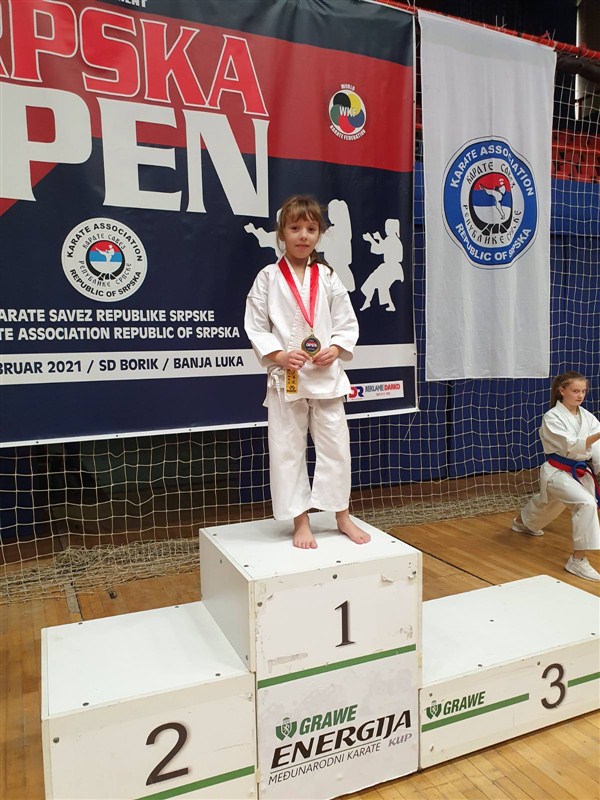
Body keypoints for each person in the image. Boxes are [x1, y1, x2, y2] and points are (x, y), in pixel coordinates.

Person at [244, 195, 371, 549]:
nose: (303, 235)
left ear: (320, 234)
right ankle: (301, 520)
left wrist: (337, 348)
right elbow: (256, 326)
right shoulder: (268, 277)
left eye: (311, 229)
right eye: (295, 228)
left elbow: (346, 322)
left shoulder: (328, 276)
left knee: (336, 446)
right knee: (287, 448)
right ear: (281, 233)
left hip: (325, 375)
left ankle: (341, 516)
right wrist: (280, 355)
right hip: (288, 376)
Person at [512, 371, 600, 581]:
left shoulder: (588, 417)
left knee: (548, 503)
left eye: (583, 391)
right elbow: (570, 445)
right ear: (562, 391)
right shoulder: (552, 417)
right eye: (575, 391)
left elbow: (596, 447)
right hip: (557, 471)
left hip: (579, 473)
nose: (580, 395)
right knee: (586, 503)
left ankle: (522, 523)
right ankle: (578, 561)